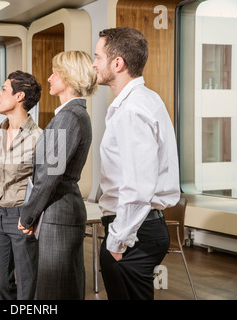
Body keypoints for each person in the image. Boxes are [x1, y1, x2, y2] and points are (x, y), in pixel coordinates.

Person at [92, 27, 180, 300]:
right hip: (138, 228)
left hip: (133, 232)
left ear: (117, 63)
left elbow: (138, 185)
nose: (93, 63)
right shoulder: (143, 100)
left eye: (97, 56)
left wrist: (117, 242)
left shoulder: (132, 109)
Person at [18, 51, 97, 300]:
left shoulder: (68, 117)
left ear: (69, 77)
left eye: (55, 73)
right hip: (60, 210)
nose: (50, 78)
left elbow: (48, 176)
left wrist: (27, 215)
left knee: (55, 291)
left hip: (58, 212)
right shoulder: (72, 115)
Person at [0, 70, 42, 300]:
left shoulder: (39, 137)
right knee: (0, 281)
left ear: (19, 97)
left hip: (21, 217)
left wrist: (31, 217)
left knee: (27, 284)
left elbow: (42, 183)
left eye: (4, 90)